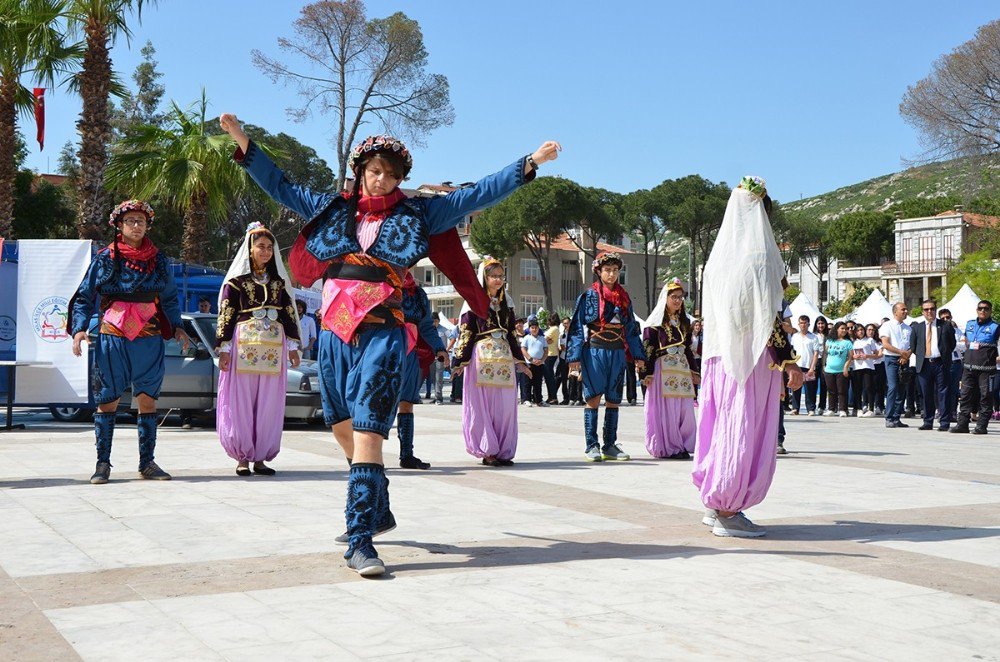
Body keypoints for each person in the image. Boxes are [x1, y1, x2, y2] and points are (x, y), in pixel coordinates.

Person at [221, 111, 560, 577]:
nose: (381, 180)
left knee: (368, 433)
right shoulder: (332, 208)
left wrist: (526, 165)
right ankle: (377, 506)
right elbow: (281, 185)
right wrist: (244, 141)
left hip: (383, 329)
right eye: (374, 171)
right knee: (341, 427)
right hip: (336, 331)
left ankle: (360, 539)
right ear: (361, 171)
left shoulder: (419, 212)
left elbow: (475, 193)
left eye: (391, 174)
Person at [692, 176, 802, 538]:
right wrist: (788, 360)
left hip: (721, 359)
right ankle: (728, 509)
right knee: (744, 430)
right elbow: (767, 316)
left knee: (722, 427)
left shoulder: (718, 261)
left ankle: (716, 503)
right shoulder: (760, 259)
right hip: (752, 360)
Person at [69, 200, 191, 484]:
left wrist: (177, 328)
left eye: (141, 221)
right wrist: (78, 330)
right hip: (113, 335)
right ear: (119, 226)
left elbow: (171, 298)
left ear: (148, 225)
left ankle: (147, 463)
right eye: (131, 221)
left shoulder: (159, 260)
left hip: (148, 337)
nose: (137, 226)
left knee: (148, 401)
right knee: (107, 400)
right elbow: (85, 296)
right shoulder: (104, 258)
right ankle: (102, 464)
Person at [215, 222, 301, 476]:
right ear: (250, 250)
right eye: (260, 247)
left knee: (269, 403)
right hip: (243, 348)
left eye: (269, 248)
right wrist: (224, 349)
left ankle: (261, 456)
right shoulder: (236, 283)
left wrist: (293, 347)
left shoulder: (279, 283)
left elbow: (289, 314)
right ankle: (242, 456)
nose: (265, 251)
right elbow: (227, 314)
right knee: (241, 401)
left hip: (275, 349)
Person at [567, 251, 646, 462]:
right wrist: (574, 356)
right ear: (598, 271)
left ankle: (610, 445)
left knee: (613, 399)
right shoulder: (589, 296)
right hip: (594, 350)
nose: (611, 274)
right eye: (607, 270)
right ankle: (591, 445)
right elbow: (576, 327)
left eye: (615, 270)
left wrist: (638, 355)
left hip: (618, 351)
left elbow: (631, 329)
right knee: (593, 397)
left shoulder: (625, 298)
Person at [452, 259, 532, 465]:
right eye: (493, 276)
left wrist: (521, 362)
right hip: (481, 357)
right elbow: (466, 332)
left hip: (504, 358)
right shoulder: (473, 301)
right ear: (484, 278)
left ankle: (504, 450)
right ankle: (488, 451)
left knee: (505, 407)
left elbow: (513, 335)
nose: (498, 280)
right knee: (483, 407)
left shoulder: (508, 302)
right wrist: (459, 361)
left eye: (500, 276)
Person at [639, 278, 699, 459]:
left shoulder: (684, 323)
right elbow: (648, 349)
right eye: (674, 297)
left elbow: (688, 349)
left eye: (680, 297)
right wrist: (646, 373)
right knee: (669, 410)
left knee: (685, 409)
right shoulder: (654, 323)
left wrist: (694, 372)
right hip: (662, 370)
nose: (678, 300)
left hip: (682, 371)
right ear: (665, 298)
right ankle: (670, 446)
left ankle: (685, 443)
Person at [395, 272, 449, 469]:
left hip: (409, 355)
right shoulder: (379, 282)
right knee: (379, 405)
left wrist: (439, 348)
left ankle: (406, 455)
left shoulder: (417, 293)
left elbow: (426, 326)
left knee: (407, 404)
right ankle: (369, 457)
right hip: (381, 352)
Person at [952, 300, 999, 434]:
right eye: (980, 308)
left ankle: (981, 426)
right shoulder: (970, 324)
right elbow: (966, 341)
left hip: (986, 370)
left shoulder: (995, 326)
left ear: (990, 311)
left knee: (985, 397)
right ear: (976, 310)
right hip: (968, 367)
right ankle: (962, 424)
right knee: (965, 396)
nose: (983, 311)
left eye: (986, 309)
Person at [911, 298, 955, 431]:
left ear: (935, 310)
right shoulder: (917, 327)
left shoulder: (945, 325)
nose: (929, 311)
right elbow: (913, 346)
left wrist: (943, 355)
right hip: (924, 364)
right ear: (922, 311)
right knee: (926, 393)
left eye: (932, 309)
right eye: (926, 309)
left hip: (940, 363)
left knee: (943, 393)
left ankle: (944, 422)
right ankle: (928, 421)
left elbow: (951, 344)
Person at [880, 303, 913, 428]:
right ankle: (889, 417)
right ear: (895, 312)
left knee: (902, 389)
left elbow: (911, 345)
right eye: (902, 309)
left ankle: (896, 417)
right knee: (893, 387)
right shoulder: (887, 326)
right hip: (891, 359)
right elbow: (886, 344)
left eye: (906, 308)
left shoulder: (908, 328)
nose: (905, 311)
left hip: (904, 359)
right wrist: (900, 353)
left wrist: (906, 355)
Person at [789, 315, 819, 415]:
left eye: (805, 323)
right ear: (798, 324)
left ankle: (810, 409)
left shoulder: (813, 337)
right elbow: (792, 351)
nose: (803, 325)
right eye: (801, 323)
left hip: (808, 366)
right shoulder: (795, 336)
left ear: (809, 324)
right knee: (796, 387)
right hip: (797, 365)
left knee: (810, 389)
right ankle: (795, 408)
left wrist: (812, 367)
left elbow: (816, 354)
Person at [823, 322, 853, 417]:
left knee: (842, 390)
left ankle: (842, 409)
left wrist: (846, 367)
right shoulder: (829, 341)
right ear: (837, 329)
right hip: (829, 369)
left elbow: (850, 357)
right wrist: (824, 365)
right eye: (842, 328)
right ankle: (831, 409)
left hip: (841, 370)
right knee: (831, 390)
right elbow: (825, 353)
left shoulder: (848, 342)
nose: (844, 330)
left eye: (845, 329)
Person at [938, 309, 963, 421]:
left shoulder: (957, 331)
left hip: (955, 362)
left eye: (948, 317)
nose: (946, 320)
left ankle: (952, 412)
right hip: (942, 362)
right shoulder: (938, 330)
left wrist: (952, 343)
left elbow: (963, 345)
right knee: (941, 388)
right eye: (943, 318)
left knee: (953, 389)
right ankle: (941, 411)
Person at [851, 323, 878, 417]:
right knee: (857, 388)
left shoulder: (870, 340)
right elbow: (850, 355)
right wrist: (854, 356)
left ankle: (871, 408)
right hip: (856, 367)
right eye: (858, 330)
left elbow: (876, 354)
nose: (860, 332)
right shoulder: (853, 341)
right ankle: (859, 408)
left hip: (868, 366)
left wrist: (868, 356)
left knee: (869, 387)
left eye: (862, 330)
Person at [520, 319, 548, 406]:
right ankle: (526, 399)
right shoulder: (527, 338)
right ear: (529, 329)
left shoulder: (542, 338)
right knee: (527, 382)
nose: (534, 329)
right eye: (532, 328)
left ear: (538, 328)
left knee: (538, 383)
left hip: (539, 364)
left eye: (536, 328)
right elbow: (523, 349)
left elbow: (546, 350)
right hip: (529, 363)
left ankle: (538, 400)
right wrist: (530, 359)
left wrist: (542, 360)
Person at [429, 312, 450, 404]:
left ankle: (439, 398)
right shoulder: (429, 330)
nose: (435, 323)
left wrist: (447, 349)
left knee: (439, 377)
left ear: (439, 321)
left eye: (436, 321)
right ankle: (436, 396)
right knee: (433, 378)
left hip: (440, 358)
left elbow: (453, 337)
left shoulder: (444, 329)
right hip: (431, 357)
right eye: (433, 321)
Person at [812, 316, 829, 414]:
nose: (820, 325)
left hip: (825, 361)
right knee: (813, 384)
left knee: (824, 384)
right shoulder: (813, 335)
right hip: (815, 360)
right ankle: (812, 406)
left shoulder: (829, 335)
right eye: (819, 323)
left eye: (822, 323)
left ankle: (822, 406)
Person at [543, 316, 561, 404]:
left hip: (550, 354)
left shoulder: (554, 329)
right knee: (548, 376)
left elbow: (544, 339)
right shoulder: (555, 329)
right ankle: (551, 397)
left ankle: (553, 397)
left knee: (549, 377)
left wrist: (546, 340)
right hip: (551, 353)